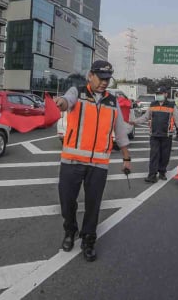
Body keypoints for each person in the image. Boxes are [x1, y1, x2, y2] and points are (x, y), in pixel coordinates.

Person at [54, 60, 132, 262]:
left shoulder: (112, 102)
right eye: (101, 78)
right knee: (67, 203)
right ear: (90, 75)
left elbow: (121, 132)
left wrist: (126, 158)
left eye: (108, 79)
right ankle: (70, 231)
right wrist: (61, 103)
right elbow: (66, 100)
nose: (105, 83)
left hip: (98, 165)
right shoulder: (77, 93)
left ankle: (88, 240)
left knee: (93, 206)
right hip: (71, 161)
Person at [130, 86, 178, 183]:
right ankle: (152, 175)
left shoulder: (171, 105)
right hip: (154, 134)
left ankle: (162, 171)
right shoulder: (153, 104)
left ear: (166, 94)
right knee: (154, 155)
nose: (158, 95)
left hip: (167, 135)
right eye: (157, 94)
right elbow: (145, 117)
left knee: (165, 155)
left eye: (160, 94)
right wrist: (135, 121)